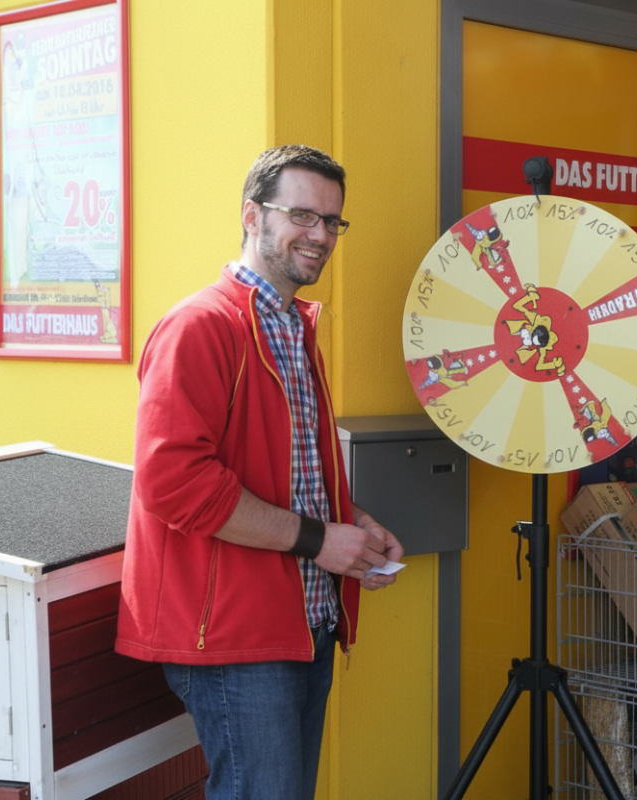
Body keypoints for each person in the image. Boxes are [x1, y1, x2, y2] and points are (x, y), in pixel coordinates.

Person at [116, 144, 404, 800]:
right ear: (253, 216)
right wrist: (320, 540)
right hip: (236, 638)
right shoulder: (199, 326)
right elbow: (173, 484)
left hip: (302, 623)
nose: (320, 235)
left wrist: (353, 528)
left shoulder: (293, 328)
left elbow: (288, 472)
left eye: (332, 221)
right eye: (302, 215)